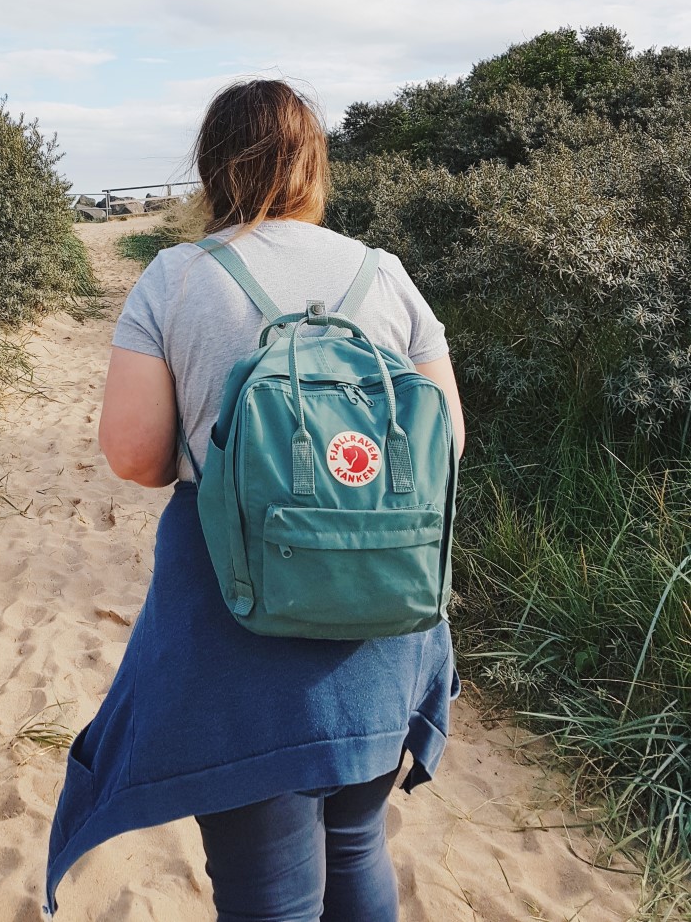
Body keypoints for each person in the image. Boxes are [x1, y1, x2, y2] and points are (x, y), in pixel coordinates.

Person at [45, 79, 465, 920]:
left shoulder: (174, 277)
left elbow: (134, 454)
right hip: (386, 628)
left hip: (239, 649)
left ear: (213, 167)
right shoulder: (383, 273)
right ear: (314, 164)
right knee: (356, 846)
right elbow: (447, 439)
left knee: (269, 892)